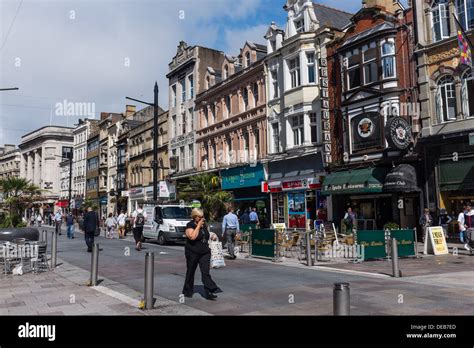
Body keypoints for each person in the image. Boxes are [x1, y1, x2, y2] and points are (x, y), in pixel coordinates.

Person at [182, 208, 221, 300]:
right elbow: (192, 237)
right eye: (199, 217)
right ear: (195, 217)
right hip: (192, 252)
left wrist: (212, 236)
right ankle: (187, 291)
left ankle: (210, 290)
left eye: (202, 217)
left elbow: (206, 235)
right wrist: (198, 225)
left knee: (205, 272)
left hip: (205, 252)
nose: (202, 219)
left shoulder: (204, 225)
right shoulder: (190, 225)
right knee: (191, 272)